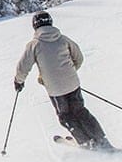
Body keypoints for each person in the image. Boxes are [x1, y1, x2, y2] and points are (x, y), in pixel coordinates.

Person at [14, 11, 113, 150]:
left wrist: (19, 81)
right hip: (73, 84)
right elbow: (79, 58)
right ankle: (101, 140)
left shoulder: (34, 45)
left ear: (35, 26)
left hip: (56, 90)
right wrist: (69, 73)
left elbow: (23, 66)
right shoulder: (63, 39)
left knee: (66, 116)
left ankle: (85, 142)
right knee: (81, 111)